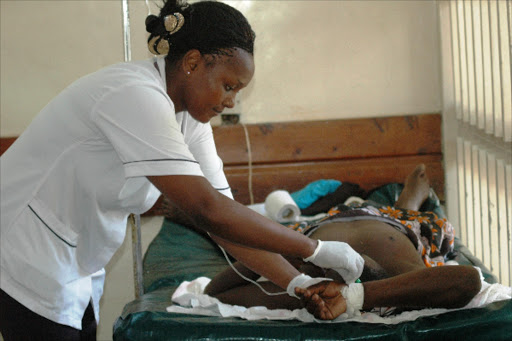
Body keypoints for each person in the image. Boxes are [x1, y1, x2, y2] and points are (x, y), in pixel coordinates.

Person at [0, 1, 365, 339]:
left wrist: (297, 282)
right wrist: (314, 249)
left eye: (237, 91)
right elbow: (209, 210)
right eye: (228, 85)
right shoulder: (134, 94)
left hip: (71, 258)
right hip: (22, 245)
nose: (230, 101)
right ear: (192, 63)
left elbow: (225, 220)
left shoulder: (190, 121)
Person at [204, 164, 482, 320]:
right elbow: (467, 280)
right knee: (405, 212)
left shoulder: (307, 291)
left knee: (258, 230)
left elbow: (215, 292)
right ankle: (409, 197)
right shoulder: (407, 284)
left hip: (320, 229)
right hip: (392, 224)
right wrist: (356, 297)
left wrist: (285, 253)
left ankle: (407, 196)